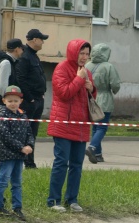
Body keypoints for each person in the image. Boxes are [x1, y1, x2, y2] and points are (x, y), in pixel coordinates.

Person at [46, 39, 96, 213]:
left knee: (77, 164)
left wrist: (91, 89)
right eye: (81, 53)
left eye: (87, 54)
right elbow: (64, 93)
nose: (84, 57)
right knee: (61, 163)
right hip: (63, 124)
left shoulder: (86, 72)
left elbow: (89, 99)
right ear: (74, 52)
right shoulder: (62, 68)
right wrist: (79, 79)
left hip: (81, 125)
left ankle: (72, 199)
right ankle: (53, 200)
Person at [0, 85, 34, 221]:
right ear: (4, 101)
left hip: (19, 155)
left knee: (17, 183)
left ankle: (17, 208)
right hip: (7, 154)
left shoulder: (23, 115)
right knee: (3, 181)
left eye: (16, 101)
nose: (13, 103)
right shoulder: (2, 116)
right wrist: (21, 147)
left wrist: (29, 145)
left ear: (20, 101)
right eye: (10, 100)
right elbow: (5, 136)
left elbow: (29, 132)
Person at [0, 38, 24, 168]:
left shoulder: (8, 61)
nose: (22, 51)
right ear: (17, 49)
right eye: (21, 49)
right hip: (4, 102)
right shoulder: (6, 63)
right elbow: (2, 86)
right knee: (2, 131)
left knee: (4, 130)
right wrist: (9, 101)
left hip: (5, 101)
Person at [16, 28, 49, 169]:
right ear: (35, 40)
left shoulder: (33, 56)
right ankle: (26, 162)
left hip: (38, 99)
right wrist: (30, 98)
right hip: (30, 101)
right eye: (42, 39)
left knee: (33, 133)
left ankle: (30, 162)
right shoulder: (25, 57)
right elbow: (21, 79)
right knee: (26, 132)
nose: (43, 43)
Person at [85, 43, 121, 164]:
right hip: (104, 98)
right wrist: (114, 90)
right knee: (102, 127)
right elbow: (115, 84)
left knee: (95, 127)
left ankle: (98, 154)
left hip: (90, 98)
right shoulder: (109, 67)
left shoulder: (87, 65)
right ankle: (92, 147)